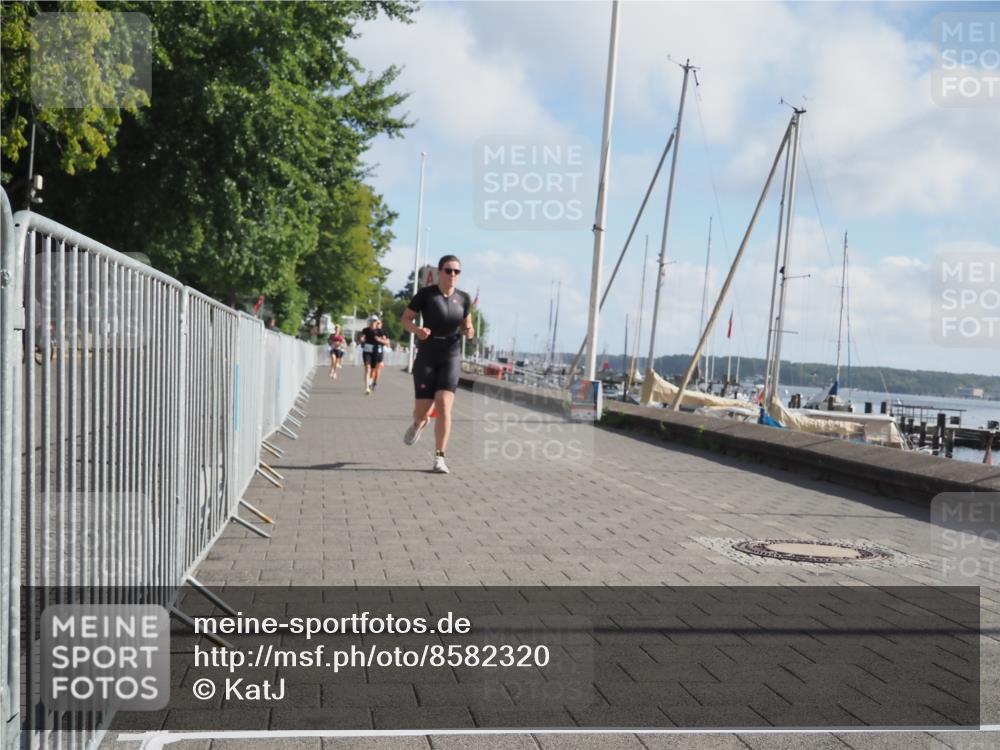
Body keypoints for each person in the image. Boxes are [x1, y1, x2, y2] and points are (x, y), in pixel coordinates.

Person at [401, 254, 474, 474]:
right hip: (427, 355)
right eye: (449, 270)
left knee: (443, 405)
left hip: (450, 355)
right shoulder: (425, 295)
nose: (453, 275)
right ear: (440, 272)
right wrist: (418, 331)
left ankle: (439, 458)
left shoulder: (464, 298)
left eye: (457, 271)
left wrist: (470, 332)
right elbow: (405, 320)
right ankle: (419, 423)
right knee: (422, 413)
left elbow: (468, 325)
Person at [359, 315, 391, 394]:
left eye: (375, 321)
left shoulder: (380, 331)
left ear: (377, 322)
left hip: (376, 351)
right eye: (372, 321)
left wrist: (379, 340)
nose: (373, 322)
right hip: (367, 351)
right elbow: (362, 337)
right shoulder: (365, 330)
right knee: (367, 367)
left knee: (373, 369)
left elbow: (387, 342)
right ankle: (367, 387)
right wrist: (362, 339)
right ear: (369, 321)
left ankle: (371, 382)